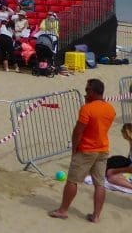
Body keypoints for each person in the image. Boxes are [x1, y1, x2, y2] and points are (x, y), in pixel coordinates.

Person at [49, 79, 115, 223]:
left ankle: (63, 210)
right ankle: (96, 216)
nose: (85, 93)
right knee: (100, 184)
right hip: (103, 149)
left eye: (87, 90)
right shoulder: (110, 109)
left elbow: (78, 132)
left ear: (93, 92)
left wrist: (74, 149)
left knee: (72, 181)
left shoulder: (87, 109)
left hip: (87, 149)